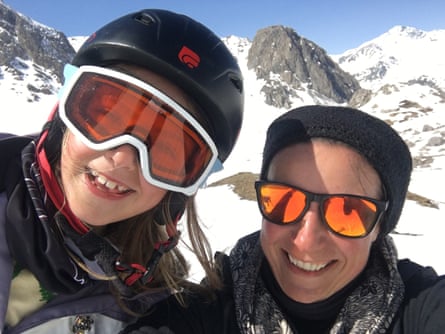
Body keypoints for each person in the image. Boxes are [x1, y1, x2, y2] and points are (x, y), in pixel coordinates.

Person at [0, 8, 243, 333]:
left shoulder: (159, 304)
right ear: (63, 116)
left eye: (167, 151)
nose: (125, 158)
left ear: (177, 195)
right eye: (106, 118)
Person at [122, 105, 445, 333]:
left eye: (347, 211)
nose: (306, 240)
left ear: (380, 227)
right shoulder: (202, 311)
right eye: (284, 201)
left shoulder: (423, 306)